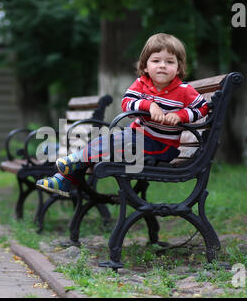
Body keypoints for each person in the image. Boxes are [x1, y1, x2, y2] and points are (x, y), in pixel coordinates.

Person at [36, 33, 209, 197]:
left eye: (170, 62)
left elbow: (202, 108)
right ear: (145, 67)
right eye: (156, 60)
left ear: (178, 68)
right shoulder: (141, 84)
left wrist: (181, 115)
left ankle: (71, 165)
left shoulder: (184, 91)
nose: (162, 65)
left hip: (161, 146)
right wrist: (149, 105)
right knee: (104, 141)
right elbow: (127, 103)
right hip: (136, 136)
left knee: (110, 144)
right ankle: (64, 179)